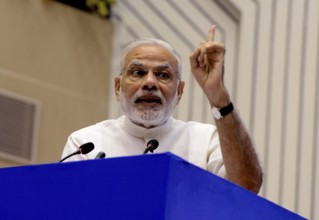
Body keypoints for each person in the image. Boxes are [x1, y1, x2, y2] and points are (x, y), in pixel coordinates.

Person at [62, 25, 262, 193]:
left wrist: (217, 94)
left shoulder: (206, 141)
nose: (150, 82)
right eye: (138, 72)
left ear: (180, 92)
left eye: (163, 75)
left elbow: (247, 185)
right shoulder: (86, 143)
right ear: (117, 87)